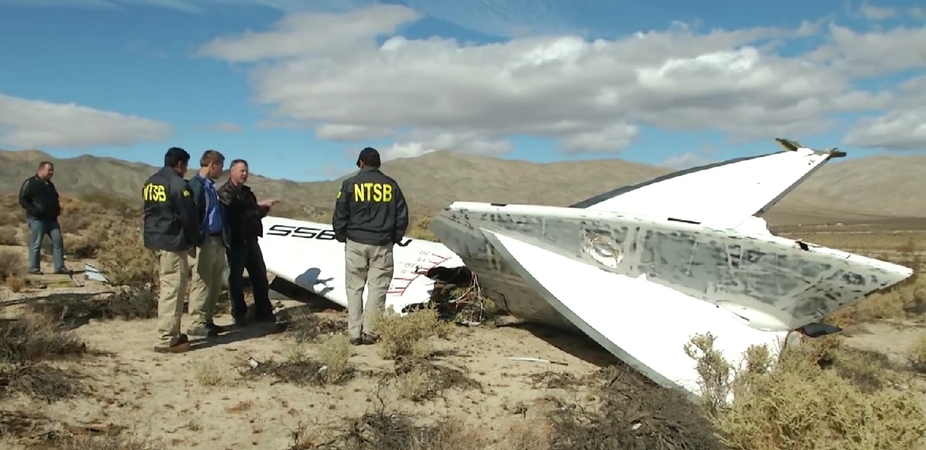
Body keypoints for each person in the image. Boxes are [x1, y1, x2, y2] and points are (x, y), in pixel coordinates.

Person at [332, 147, 409, 346]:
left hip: (355, 242)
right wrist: (395, 237)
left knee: (354, 287)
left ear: (361, 163)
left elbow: (340, 213)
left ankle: (354, 333)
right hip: (382, 244)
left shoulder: (349, 184)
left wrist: (341, 235)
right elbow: (402, 215)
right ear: (378, 164)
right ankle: (371, 332)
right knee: (377, 288)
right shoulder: (391, 185)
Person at [142, 147, 200, 353]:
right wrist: (194, 240)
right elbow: (188, 215)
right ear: (181, 164)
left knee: (167, 286)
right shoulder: (177, 184)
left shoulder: (151, 181)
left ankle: (172, 333)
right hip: (172, 241)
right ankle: (167, 338)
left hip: (154, 240)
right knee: (173, 290)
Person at [217, 159, 277, 326]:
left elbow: (251, 213)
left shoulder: (247, 193)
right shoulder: (225, 192)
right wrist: (258, 208)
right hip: (236, 241)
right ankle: (239, 314)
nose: (244, 174)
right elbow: (237, 213)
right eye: (241, 171)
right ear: (232, 172)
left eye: (246, 171)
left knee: (260, 276)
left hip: (251, 239)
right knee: (235, 280)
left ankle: (263, 311)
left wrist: (262, 210)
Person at [186, 150, 231, 338]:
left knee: (214, 283)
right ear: (212, 165)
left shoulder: (211, 187)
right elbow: (191, 215)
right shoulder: (196, 186)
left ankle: (207, 319)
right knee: (202, 282)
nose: (221, 170)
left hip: (216, 240)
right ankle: (196, 322)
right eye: (220, 166)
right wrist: (196, 239)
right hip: (204, 241)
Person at [18, 161, 67, 275]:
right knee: (36, 243)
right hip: (37, 219)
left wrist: (57, 209)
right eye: (49, 170)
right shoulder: (30, 183)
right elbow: (23, 199)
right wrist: (33, 210)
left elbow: (55, 198)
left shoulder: (49, 185)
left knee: (58, 241)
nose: (51, 172)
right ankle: (34, 268)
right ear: (41, 169)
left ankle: (59, 267)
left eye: (52, 170)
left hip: (52, 219)